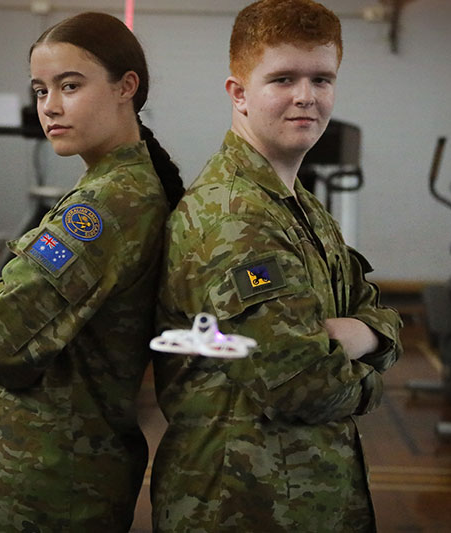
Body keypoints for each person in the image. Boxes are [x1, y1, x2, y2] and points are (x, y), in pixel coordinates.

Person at [151, 1, 403, 531]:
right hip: (242, 506)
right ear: (239, 93)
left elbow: (371, 307)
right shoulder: (235, 216)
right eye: (283, 78)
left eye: (321, 79)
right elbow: (301, 383)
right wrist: (375, 375)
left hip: (300, 499)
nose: (306, 96)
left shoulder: (298, 205)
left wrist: (366, 333)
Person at [0, 12, 184, 532]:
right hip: (61, 467)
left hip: (50, 476)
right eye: (41, 90)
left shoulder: (106, 205)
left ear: (126, 87)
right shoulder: (117, 184)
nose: (50, 106)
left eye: (70, 85)